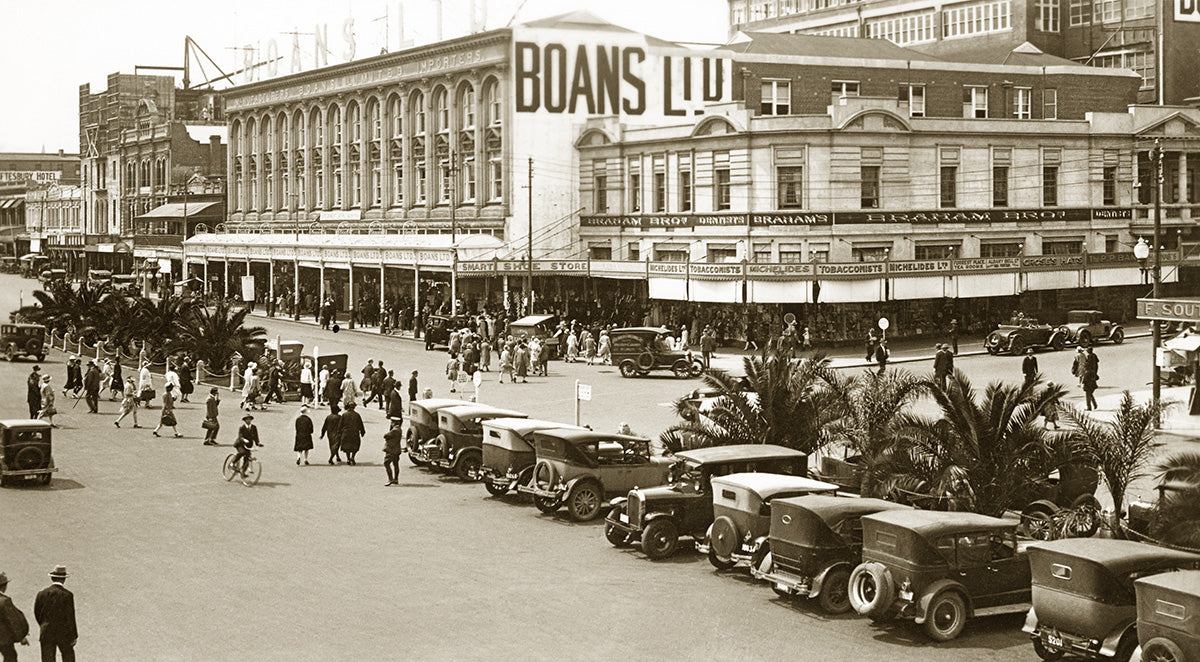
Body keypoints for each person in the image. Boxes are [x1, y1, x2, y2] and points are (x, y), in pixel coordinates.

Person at [33, 566, 76, 662]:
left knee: (47, 658)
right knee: (68, 657)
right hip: (64, 632)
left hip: (46, 631)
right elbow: (70, 616)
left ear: (52, 577)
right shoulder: (68, 595)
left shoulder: (41, 594)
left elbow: (37, 612)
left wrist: (43, 624)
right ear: (64, 579)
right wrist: (73, 635)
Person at [0, 571, 30, 662]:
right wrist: (21, 637)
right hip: (3, 639)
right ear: (4, 585)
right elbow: (13, 621)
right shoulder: (5, 601)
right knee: (11, 657)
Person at [383, 419, 404, 486]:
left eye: (392, 422)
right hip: (397, 449)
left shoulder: (394, 430)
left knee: (386, 463)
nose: (391, 423)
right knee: (396, 464)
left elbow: (385, 435)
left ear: (395, 423)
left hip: (391, 450)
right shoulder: (399, 429)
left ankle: (390, 479)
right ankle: (396, 479)